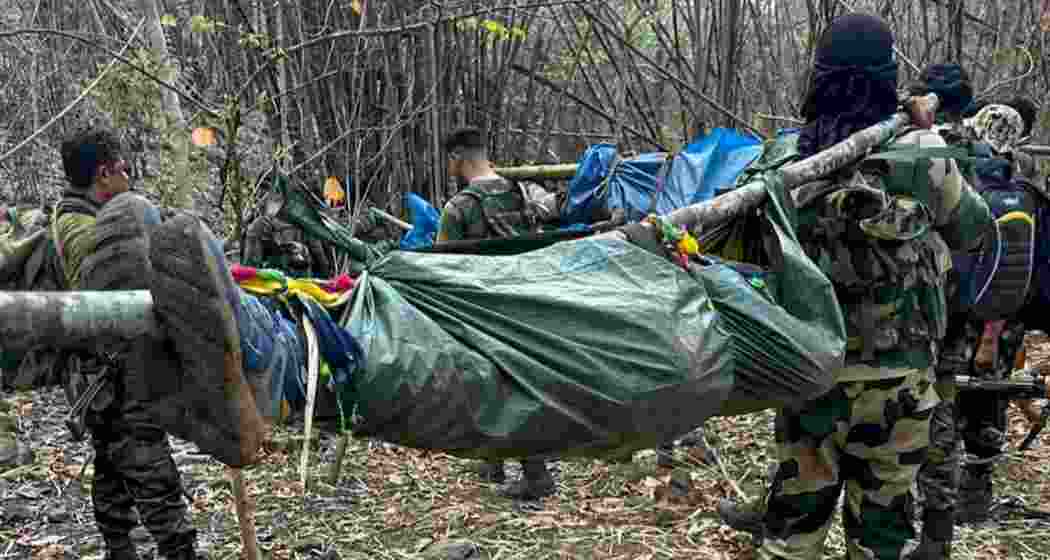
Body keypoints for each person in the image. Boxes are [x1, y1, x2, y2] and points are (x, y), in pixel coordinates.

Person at [716, 14, 992, 560]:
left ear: (818, 77)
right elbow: (973, 229)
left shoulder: (787, 160)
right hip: (900, 382)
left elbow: (734, 246)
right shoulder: (920, 154)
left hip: (812, 372)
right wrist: (926, 135)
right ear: (888, 75)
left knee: (793, 532)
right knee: (882, 535)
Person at [53, 129, 199, 560]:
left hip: (107, 376)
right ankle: (179, 552)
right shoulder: (85, 231)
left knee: (115, 469)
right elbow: (113, 303)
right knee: (149, 467)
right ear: (104, 173)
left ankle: (120, 549)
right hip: (114, 375)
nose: (129, 179)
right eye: (124, 170)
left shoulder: (87, 220)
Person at [437, 127, 557, 500]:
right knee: (512, 382)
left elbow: (440, 271)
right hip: (525, 305)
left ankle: (536, 476)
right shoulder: (520, 193)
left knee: (501, 386)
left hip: (481, 311)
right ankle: (494, 460)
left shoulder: (458, 208)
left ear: (457, 157)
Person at [243, 180, 333, 278]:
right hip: (289, 280)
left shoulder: (259, 225)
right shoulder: (302, 220)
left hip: (282, 279)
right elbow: (319, 255)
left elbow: (250, 266)